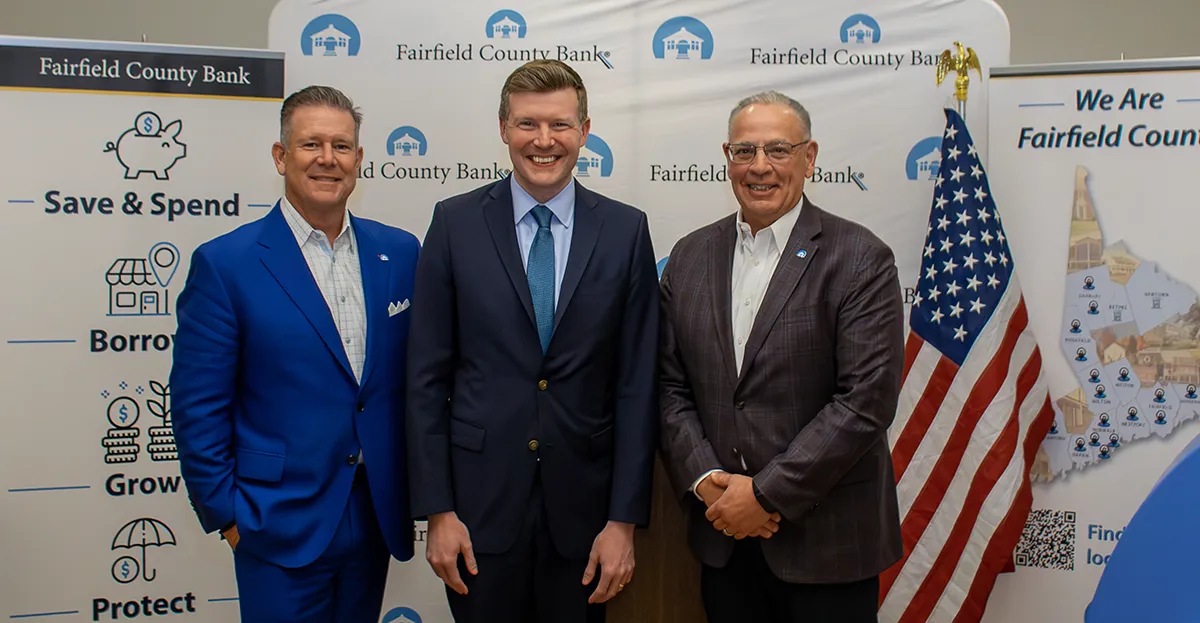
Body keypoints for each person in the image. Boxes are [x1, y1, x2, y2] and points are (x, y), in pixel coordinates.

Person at [406, 59, 659, 623]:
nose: (544, 141)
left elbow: (637, 385)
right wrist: (437, 512)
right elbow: (425, 379)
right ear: (503, 128)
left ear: (585, 131)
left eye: (560, 125)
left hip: (588, 522)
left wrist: (623, 521)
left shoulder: (625, 231)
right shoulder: (454, 223)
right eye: (527, 124)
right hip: (475, 517)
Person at [169, 85, 419, 621]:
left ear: (359, 160)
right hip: (274, 525)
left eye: (342, 146)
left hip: (373, 516)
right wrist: (229, 518)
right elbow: (197, 407)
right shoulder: (226, 265)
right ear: (281, 157)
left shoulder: (398, 252)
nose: (328, 159)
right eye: (311, 145)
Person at [658, 90, 905, 622]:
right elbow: (669, 386)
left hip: (828, 548)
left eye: (778, 149)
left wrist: (765, 496)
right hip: (723, 538)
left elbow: (865, 400)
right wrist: (706, 481)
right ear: (727, 157)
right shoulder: (690, 256)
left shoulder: (860, 258)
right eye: (744, 152)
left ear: (809, 157)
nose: (760, 167)